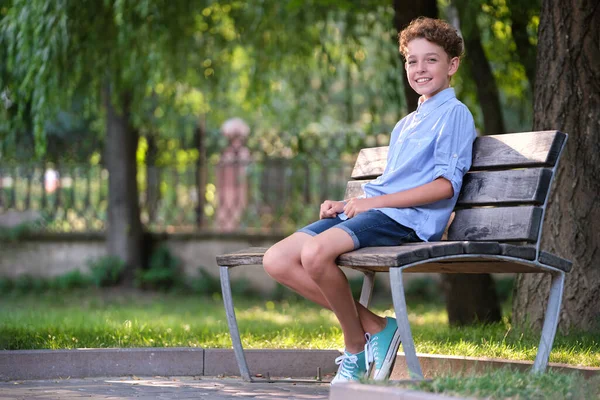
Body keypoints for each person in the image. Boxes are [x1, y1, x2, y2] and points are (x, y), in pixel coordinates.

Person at [263, 17, 477, 384]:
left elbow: (444, 187)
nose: (420, 69)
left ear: (452, 64)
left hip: (406, 221)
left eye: (431, 59)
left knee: (315, 254)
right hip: (381, 211)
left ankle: (355, 349)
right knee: (278, 259)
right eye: (412, 60)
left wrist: (373, 204)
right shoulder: (406, 124)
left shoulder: (454, 115)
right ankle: (377, 327)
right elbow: (391, 183)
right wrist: (351, 202)